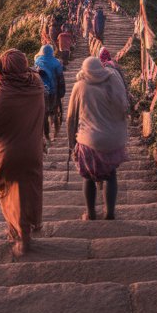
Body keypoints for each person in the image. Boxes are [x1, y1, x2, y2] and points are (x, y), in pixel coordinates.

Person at [0, 49, 46, 256]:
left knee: (10, 192)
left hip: (8, 153)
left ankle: (21, 234)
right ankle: (30, 224)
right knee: (30, 189)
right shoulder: (36, 86)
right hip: (32, 149)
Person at [66, 56, 129, 220]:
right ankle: (110, 213)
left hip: (89, 141)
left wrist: (71, 143)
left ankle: (91, 213)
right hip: (113, 140)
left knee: (88, 177)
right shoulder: (112, 83)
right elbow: (124, 108)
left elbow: (71, 118)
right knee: (111, 175)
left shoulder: (80, 86)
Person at [34, 44, 66, 142]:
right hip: (54, 91)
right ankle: (56, 133)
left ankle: (47, 135)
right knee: (55, 111)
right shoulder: (56, 62)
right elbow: (60, 79)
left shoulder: (37, 61)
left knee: (44, 113)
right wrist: (62, 92)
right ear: (51, 52)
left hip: (42, 92)